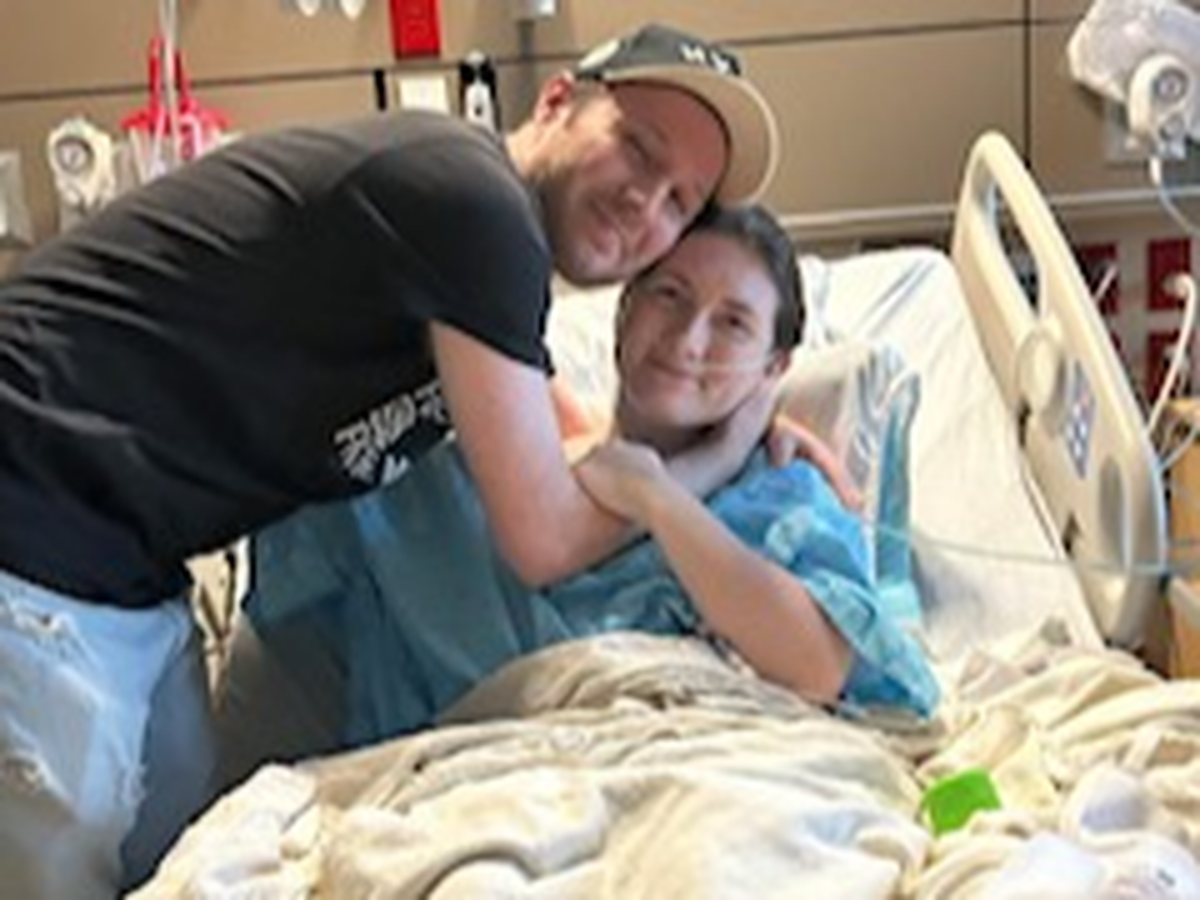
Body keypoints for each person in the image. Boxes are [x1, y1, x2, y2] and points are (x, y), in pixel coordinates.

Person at [0, 23, 781, 899]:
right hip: (34, 520)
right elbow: (546, 538)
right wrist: (714, 460)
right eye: (638, 148)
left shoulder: (478, 267)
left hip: (122, 560)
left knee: (177, 858)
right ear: (557, 100)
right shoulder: (475, 206)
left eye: (680, 200)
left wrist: (764, 411)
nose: (648, 203)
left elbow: (574, 429)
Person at [215, 204, 940, 788]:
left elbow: (817, 668)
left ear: (773, 367)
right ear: (624, 311)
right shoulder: (505, 471)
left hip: (682, 782)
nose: (689, 339)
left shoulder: (780, 490)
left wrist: (662, 499)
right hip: (473, 783)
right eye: (669, 295)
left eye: (733, 323)